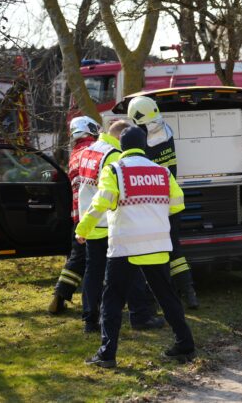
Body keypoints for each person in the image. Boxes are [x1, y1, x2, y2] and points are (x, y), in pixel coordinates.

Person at [77, 126, 197, 368]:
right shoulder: (163, 173)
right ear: (144, 146)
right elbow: (177, 204)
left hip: (125, 248)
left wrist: (83, 230)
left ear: (122, 146)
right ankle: (185, 344)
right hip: (157, 246)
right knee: (167, 297)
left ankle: (107, 354)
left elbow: (102, 202)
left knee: (112, 300)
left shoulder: (115, 170)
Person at [78, 120, 163, 333]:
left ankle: (90, 319)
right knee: (132, 270)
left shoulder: (89, 151)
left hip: (90, 221)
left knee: (93, 271)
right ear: (120, 138)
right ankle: (140, 316)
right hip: (110, 223)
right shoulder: (113, 155)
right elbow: (113, 193)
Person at [126, 96, 199, 309]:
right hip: (171, 202)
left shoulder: (142, 137)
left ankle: (156, 297)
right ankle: (189, 292)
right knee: (175, 249)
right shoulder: (166, 130)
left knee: (151, 251)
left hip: (151, 204)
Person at [48, 116, 100, 314]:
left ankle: (60, 296)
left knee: (77, 259)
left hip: (77, 215)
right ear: (90, 129)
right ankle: (94, 305)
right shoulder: (92, 150)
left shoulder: (75, 153)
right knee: (96, 262)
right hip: (94, 215)